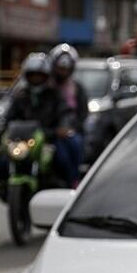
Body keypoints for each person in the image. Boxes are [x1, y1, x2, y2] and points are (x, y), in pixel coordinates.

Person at [4, 53, 76, 187]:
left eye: (39, 75)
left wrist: (63, 127)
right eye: (32, 75)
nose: (36, 78)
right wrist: (0, 130)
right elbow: (9, 117)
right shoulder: (20, 96)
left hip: (50, 138)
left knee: (63, 159)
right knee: (4, 159)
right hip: (25, 140)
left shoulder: (54, 94)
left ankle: (70, 186)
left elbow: (65, 112)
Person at [48, 43, 86, 186]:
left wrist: (71, 128)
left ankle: (73, 180)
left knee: (72, 148)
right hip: (49, 131)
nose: (63, 71)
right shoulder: (47, 87)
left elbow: (82, 113)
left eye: (66, 68)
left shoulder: (77, 88)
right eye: (60, 68)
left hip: (70, 131)